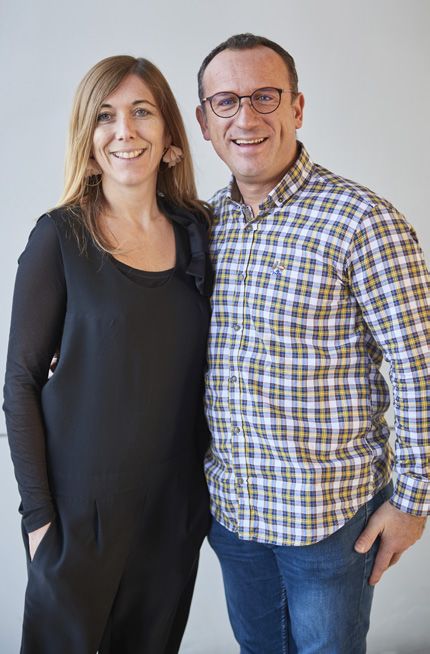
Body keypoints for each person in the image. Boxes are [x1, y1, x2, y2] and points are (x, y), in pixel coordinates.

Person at [195, 33, 429, 653]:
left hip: (328, 522)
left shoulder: (363, 221)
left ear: (297, 108)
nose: (246, 118)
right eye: (226, 102)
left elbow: (420, 369)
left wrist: (412, 501)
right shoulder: (202, 225)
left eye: (265, 97)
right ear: (204, 122)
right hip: (233, 516)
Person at [3, 55, 212, 654]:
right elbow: (20, 382)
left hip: (172, 510)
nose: (125, 130)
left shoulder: (199, 232)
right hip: (76, 516)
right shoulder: (59, 238)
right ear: (88, 139)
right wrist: (39, 519)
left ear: (169, 134)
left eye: (142, 112)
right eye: (104, 115)